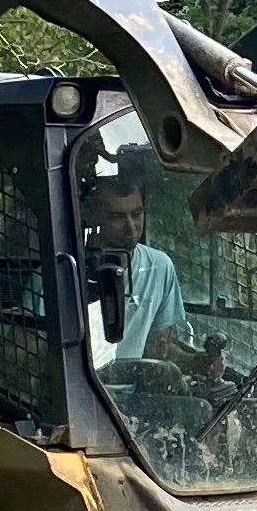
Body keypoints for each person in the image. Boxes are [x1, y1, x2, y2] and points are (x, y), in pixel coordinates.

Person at [81, 159, 194, 372]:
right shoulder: (63, 271)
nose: (131, 227)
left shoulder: (160, 267)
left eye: (136, 214)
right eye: (117, 217)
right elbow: (29, 347)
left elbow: (158, 347)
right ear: (92, 217)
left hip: (132, 391)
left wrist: (198, 362)